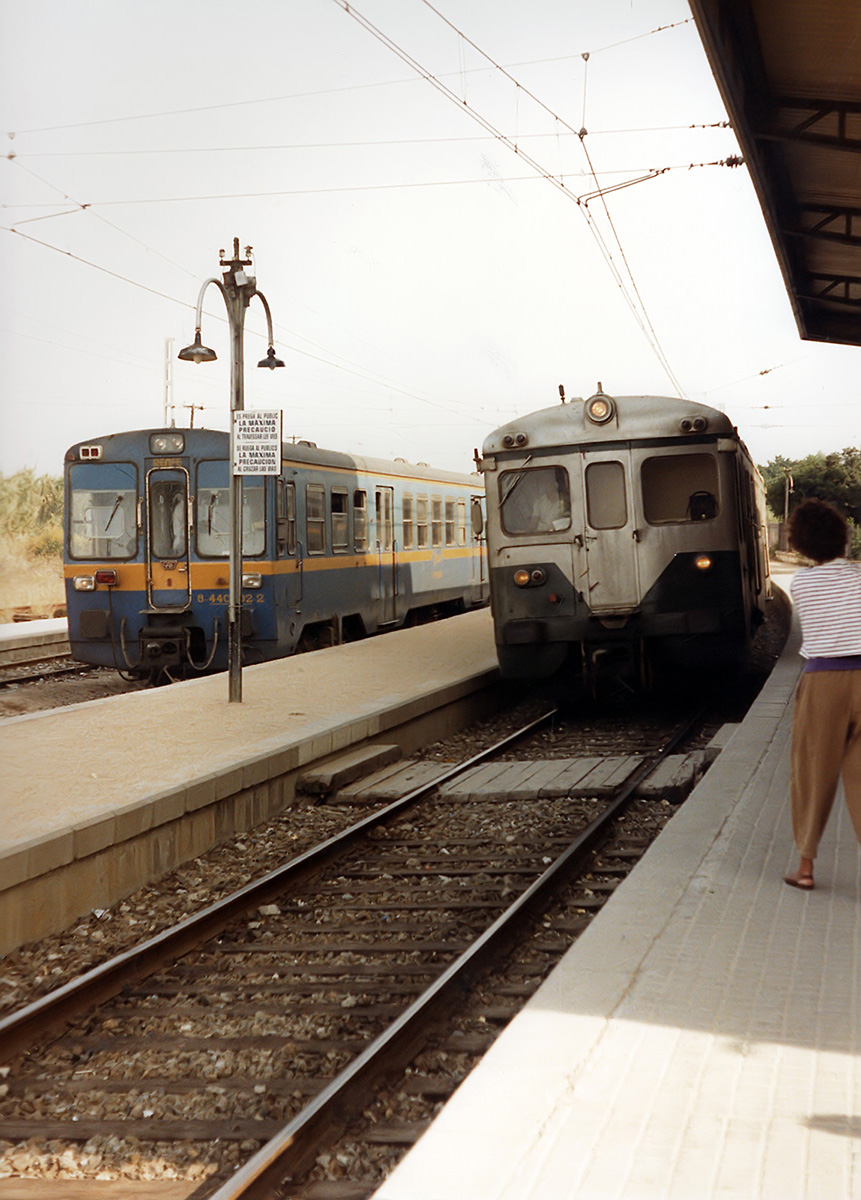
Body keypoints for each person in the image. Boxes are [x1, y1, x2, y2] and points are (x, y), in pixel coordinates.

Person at [785, 498, 861, 889]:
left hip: (824, 680)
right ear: (843, 539)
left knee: (813, 772)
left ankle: (806, 867)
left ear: (799, 545)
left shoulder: (800, 583)